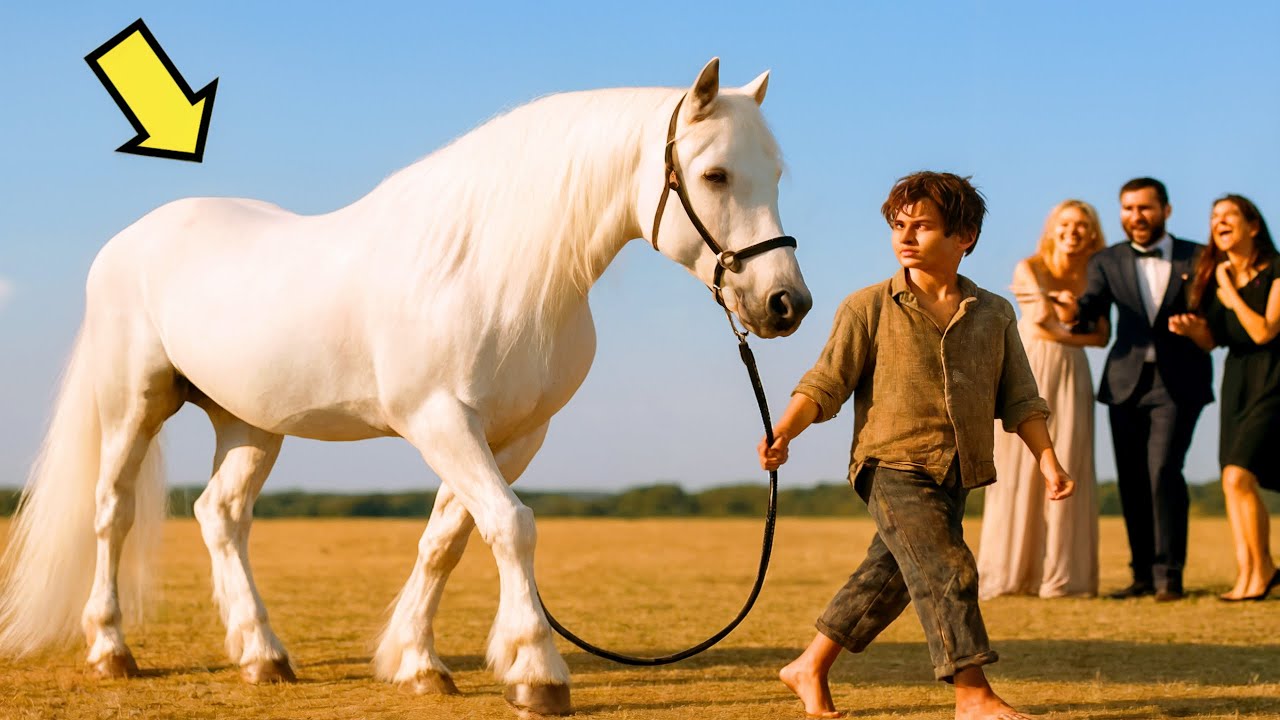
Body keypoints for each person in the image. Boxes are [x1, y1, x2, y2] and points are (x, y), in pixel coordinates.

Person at [760, 171, 1073, 720]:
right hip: (890, 464)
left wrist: (1048, 460)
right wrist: (785, 430)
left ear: (964, 236)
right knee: (950, 569)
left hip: (958, 469)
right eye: (899, 225)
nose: (906, 236)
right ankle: (972, 696)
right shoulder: (868, 307)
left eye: (922, 226)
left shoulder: (995, 313)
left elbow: (1021, 397)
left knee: (890, 578)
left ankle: (808, 666)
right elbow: (825, 382)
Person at [1056, 177, 1213, 602]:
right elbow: (1091, 306)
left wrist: (1202, 329)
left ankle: (1169, 576)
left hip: (1180, 381)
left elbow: (1214, 313)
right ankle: (1141, 574)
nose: (1135, 217)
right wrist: (1073, 312)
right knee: (1131, 480)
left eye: (1144, 208)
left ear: (1166, 210)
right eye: (1127, 209)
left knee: (1162, 471)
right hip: (1125, 383)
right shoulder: (1106, 260)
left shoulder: (1198, 256)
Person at [979, 200, 1108, 599]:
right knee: (1019, 463)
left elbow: (1103, 336)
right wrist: (1073, 323)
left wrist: (1068, 323)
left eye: (1082, 225)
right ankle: (1011, 572)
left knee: (1069, 455)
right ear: (1052, 228)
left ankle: (1062, 575)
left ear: (1092, 232)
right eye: (1066, 224)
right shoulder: (1029, 267)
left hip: (1072, 373)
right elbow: (1043, 327)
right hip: (1030, 363)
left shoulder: (1095, 274)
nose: (1073, 231)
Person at [1168, 194, 1280, 601]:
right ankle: (1252, 572)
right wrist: (1191, 330)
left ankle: (1261, 571)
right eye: (1214, 217)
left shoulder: (1275, 270)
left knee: (1238, 475)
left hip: (1274, 377)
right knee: (1235, 482)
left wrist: (1232, 294)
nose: (1219, 222)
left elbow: (1265, 331)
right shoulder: (1214, 275)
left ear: (1253, 226)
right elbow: (1214, 340)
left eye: (1229, 215)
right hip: (1236, 380)